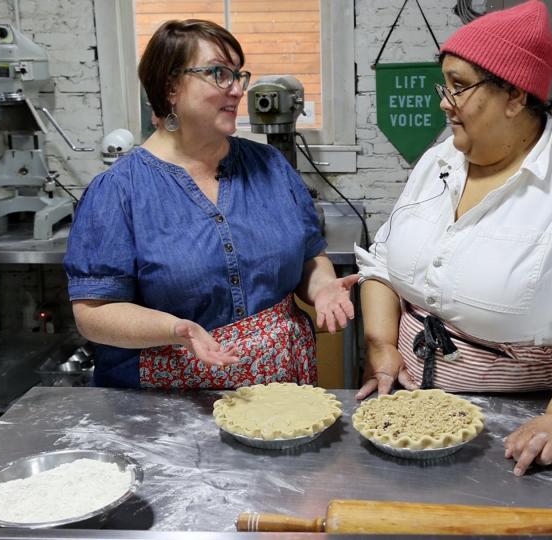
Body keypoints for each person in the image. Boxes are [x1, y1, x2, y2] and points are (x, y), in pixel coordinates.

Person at [354, 1, 552, 476]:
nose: (443, 101)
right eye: (445, 84)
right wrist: (381, 346)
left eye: (459, 86)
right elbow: (381, 266)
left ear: (515, 96)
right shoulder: (438, 163)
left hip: (520, 421)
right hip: (405, 401)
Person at [64, 19, 357, 389]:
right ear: (171, 86)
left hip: (282, 392)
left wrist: (324, 287)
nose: (237, 90)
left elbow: (309, 257)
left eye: (238, 75)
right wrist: (174, 328)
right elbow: (95, 315)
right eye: (219, 73)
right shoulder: (118, 191)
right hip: (171, 404)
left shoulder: (270, 166)